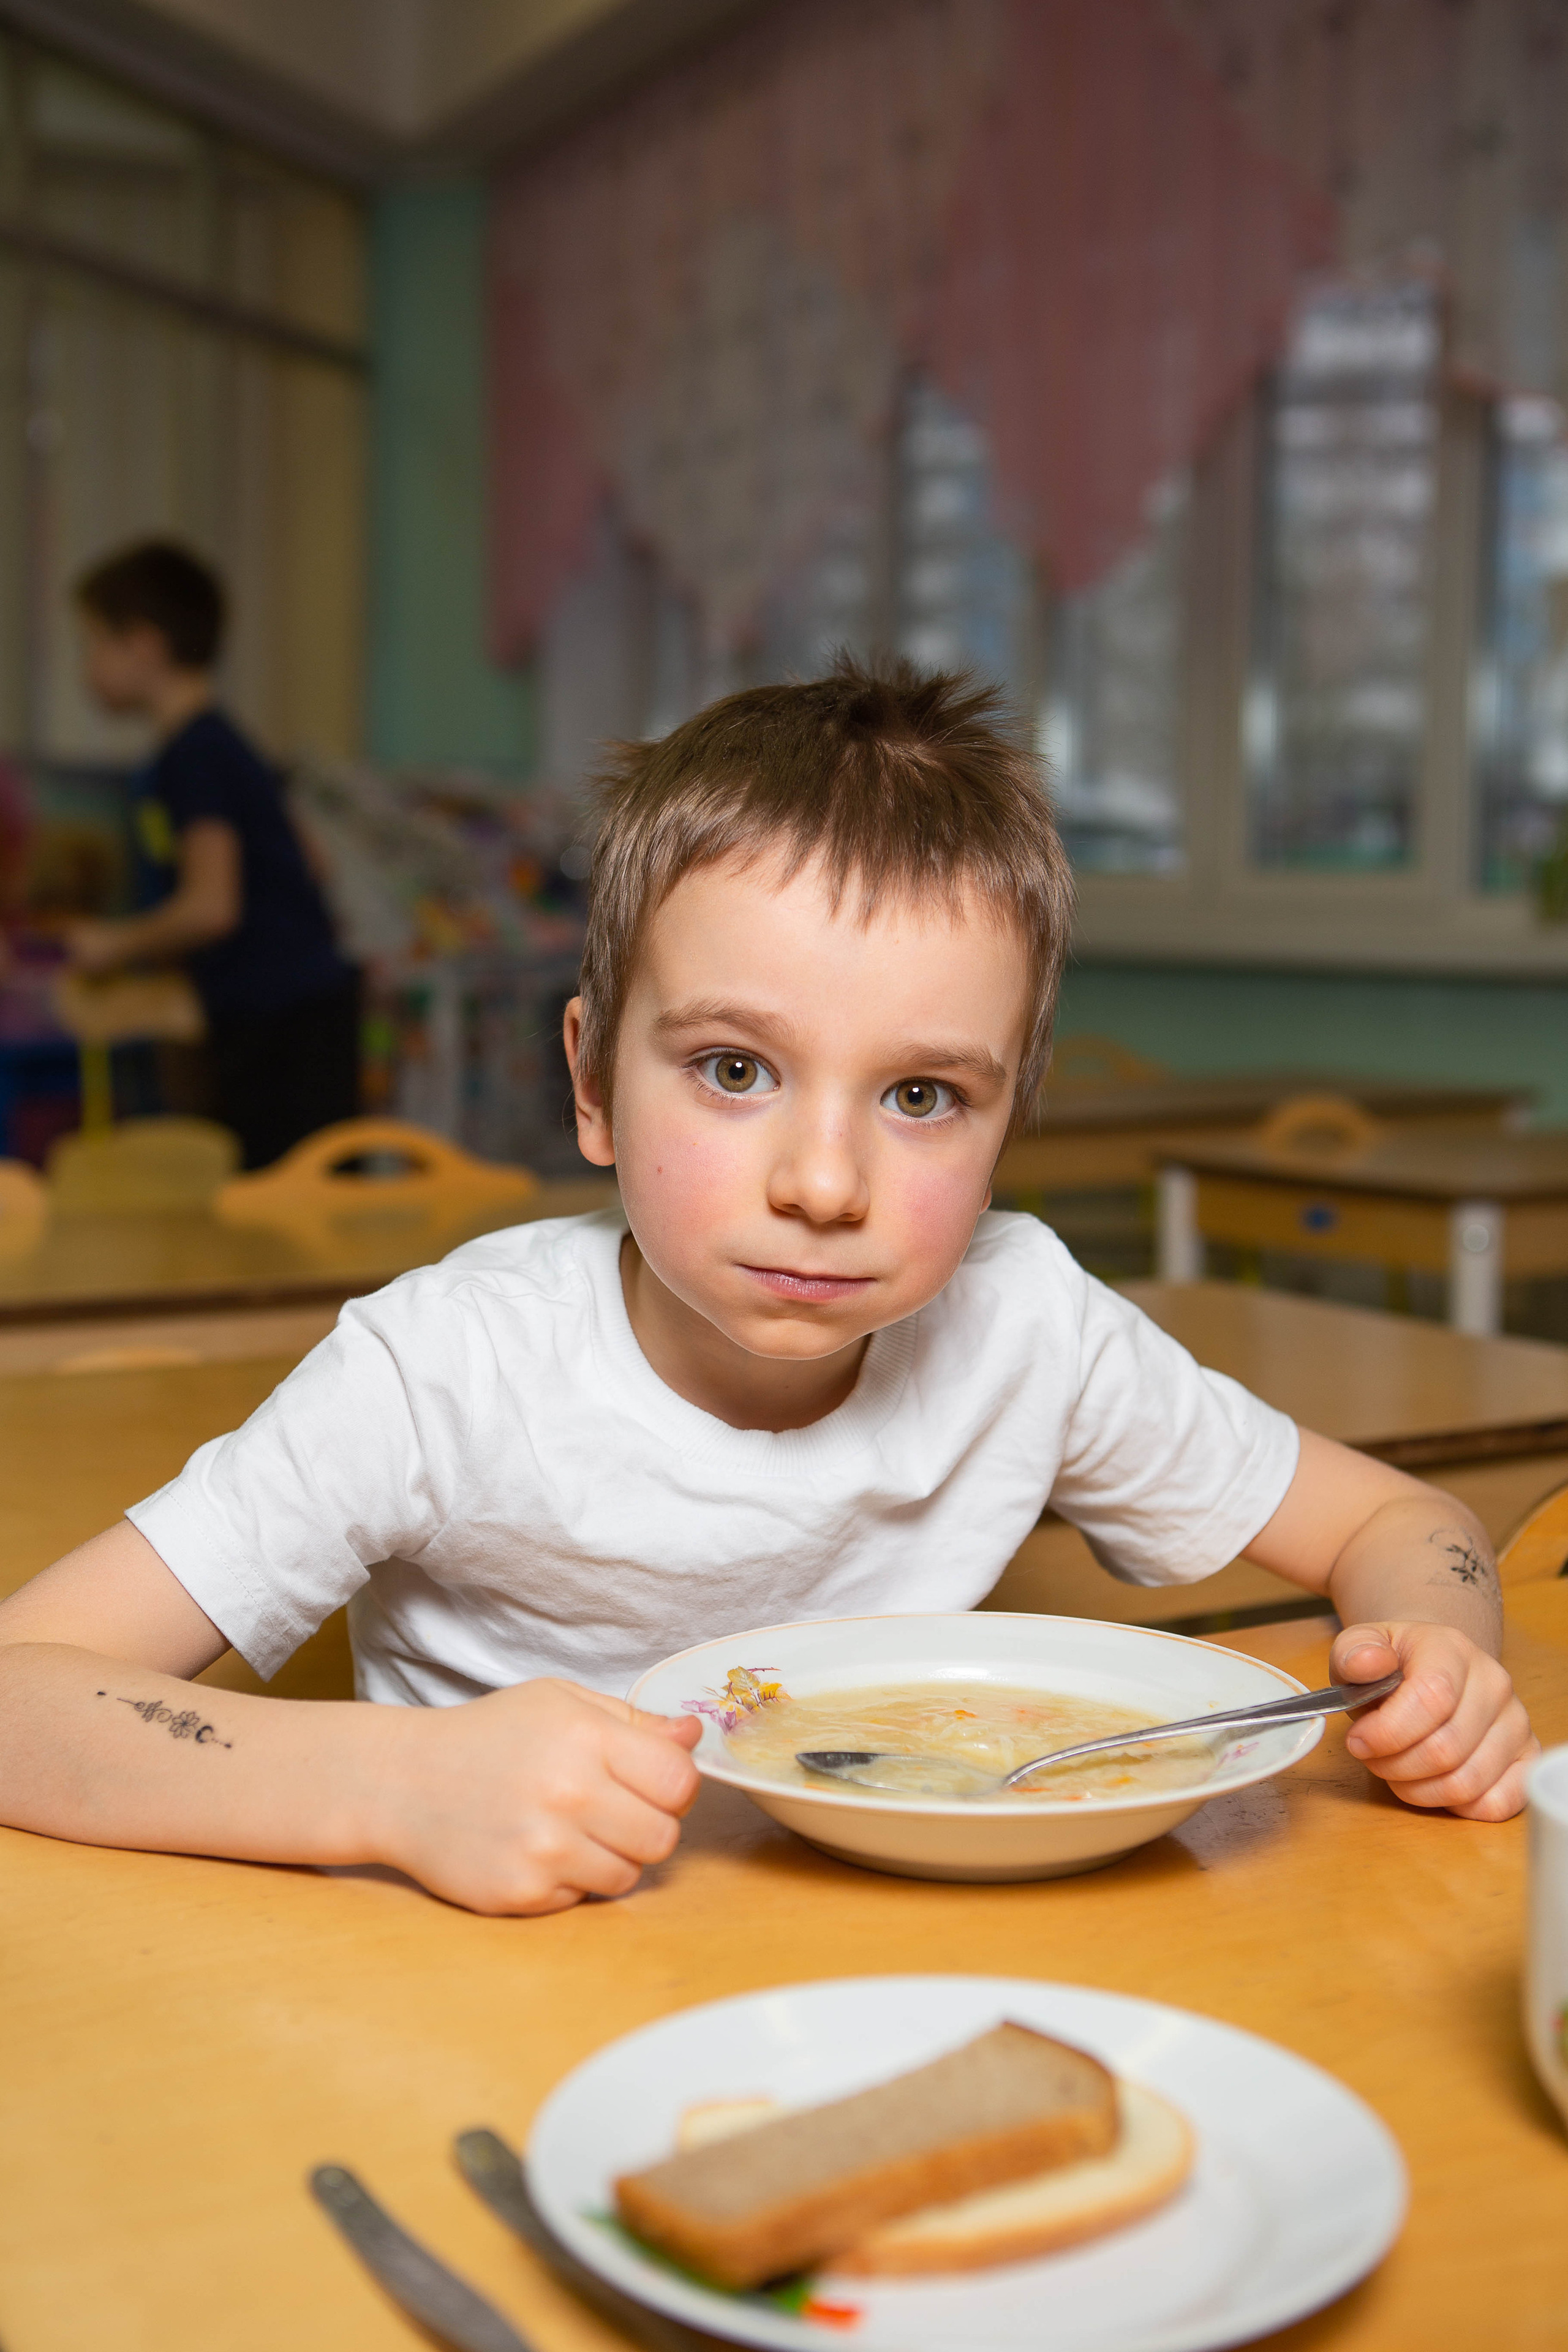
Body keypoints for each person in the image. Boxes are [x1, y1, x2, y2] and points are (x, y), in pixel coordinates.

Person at [0, 662, 1536, 1915]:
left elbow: (1406, 1524)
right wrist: (388, 1785)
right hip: (484, 1995)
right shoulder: (443, 1370)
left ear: (1010, 1119)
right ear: (591, 1083)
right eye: (734, 1069)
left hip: (870, 1963)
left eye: (921, 1096)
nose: (821, 1180)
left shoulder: (1028, 1325)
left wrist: (1438, 1651)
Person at [65, 539, 359, 1167]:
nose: (86, 666)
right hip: (307, 1015)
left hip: (278, 1032)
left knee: (277, 1209)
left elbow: (211, 907)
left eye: (94, 643)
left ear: (144, 646)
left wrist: (114, 943)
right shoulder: (223, 742)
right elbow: (313, 862)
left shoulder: (191, 758)